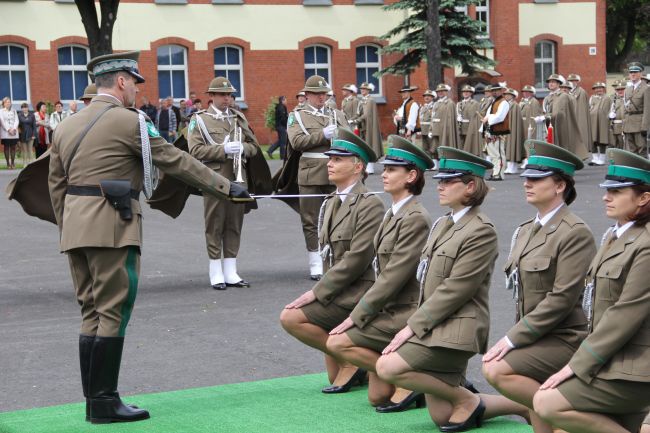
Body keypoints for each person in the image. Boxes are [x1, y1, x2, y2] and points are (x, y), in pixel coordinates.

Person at [48, 50, 249, 424]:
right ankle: (105, 402)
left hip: (76, 228)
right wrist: (227, 187)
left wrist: (70, 225)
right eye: (135, 84)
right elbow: (177, 159)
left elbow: (56, 186)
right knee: (112, 312)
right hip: (113, 225)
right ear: (121, 81)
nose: (137, 92)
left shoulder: (66, 125)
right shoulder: (131, 123)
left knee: (90, 311)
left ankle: (95, 401)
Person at [375, 147, 528, 432]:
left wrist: (411, 327)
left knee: (388, 366)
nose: (441, 186)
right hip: (436, 325)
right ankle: (520, 405)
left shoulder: (480, 229)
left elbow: (456, 288)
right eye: (440, 181)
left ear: (470, 186)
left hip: (457, 329)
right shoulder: (444, 223)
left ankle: (466, 400)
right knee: (443, 416)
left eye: (449, 181)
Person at [482, 139, 596, 433]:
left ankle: (564, 415)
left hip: (564, 337)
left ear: (560, 186)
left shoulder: (574, 232)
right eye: (526, 178)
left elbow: (562, 298)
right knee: (501, 371)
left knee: (496, 369)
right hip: (535, 336)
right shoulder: (525, 230)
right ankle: (549, 416)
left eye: (536, 179)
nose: (527, 184)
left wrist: (511, 339)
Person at [533, 148, 650, 433]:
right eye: (607, 189)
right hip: (612, 358)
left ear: (644, 198)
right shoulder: (616, 234)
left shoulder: (645, 245)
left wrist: (575, 365)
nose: (605, 197)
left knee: (548, 403)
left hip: (635, 367)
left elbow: (624, 315)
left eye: (618, 191)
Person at [326, 135, 433, 411]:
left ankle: (423, 380)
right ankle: (400, 370)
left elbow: (393, 276)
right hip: (387, 309)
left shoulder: (415, 218)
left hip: (403, 310)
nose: (384, 175)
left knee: (338, 341)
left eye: (392, 170)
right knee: (377, 396)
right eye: (384, 169)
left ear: (411, 176)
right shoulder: (392, 213)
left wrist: (358, 315)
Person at [280, 128, 384, 394]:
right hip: (337, 292)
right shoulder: (330, 202)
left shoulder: (369, 204)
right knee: (331, 373)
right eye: (330, 158)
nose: (329, 163)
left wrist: (317, 293)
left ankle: (356, 359)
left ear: (358, 166)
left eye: (338, 159)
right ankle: (352, 357)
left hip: (357, 293)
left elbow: (357, 259)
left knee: (292, 317)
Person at [187, 76, 259, 290]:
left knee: (234, 223)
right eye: (222, 95)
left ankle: (231, 269)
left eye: (229, 95)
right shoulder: (199, 120)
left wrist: (243, 149)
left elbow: (254, 146)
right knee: (215, 223)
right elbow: (195, 151)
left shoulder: (238, 118)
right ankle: (215, 269)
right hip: (214, 177)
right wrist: (223, 150)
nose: (227, 99)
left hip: (239, 176)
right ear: (211, 96)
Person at [287, 75, 350, 280]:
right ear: (307, 95)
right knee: (311, 219)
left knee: (338, 218)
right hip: (311, 172)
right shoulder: (296, 116)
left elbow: (349, 140)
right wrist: (322, 135)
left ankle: (334, 259)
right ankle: (315, 261)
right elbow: (296, 142)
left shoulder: (336, 114)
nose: (321, 97)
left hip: (337, 173)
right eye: (316, 94)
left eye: (324, 93)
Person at [539, 74, 589, 160]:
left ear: (559, 84)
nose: (551, 84)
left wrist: (545, 117)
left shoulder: (562, 96)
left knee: (562, 146)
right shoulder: (548, 97)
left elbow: (559, 113)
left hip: (561, 125)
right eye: (550, 82)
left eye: (554, 82)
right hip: (550, 124)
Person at [482, 83, 510, 181]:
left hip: (499, 131)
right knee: (493, 154)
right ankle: (495, 172)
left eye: (497, 90)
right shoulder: (493, 102)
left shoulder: (503, 102)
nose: (494, 92)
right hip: (491, 131)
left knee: (498, 153)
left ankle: (499, 174)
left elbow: (500, 117)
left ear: (501, 91)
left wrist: (488, 118)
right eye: (493, 90)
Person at [356, 82, 384, 175]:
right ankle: (366, 165)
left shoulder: (370, 100)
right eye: (361, 88)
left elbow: (367, 114)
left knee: (370, 143)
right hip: (363, 126)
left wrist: (357, 120)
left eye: (364, 89)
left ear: (368, 90)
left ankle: (370, 166)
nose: (362, 90)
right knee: (365, 145)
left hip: (369, 125)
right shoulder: (362, 100)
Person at [623, 62, 650, 156]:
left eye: (635, 72)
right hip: (628, 124)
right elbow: (625, 108)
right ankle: (634, 170)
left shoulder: (646, 88)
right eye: (631, 72)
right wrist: (624, 124)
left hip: (639, 124)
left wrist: (645, 127)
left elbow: (647, 110)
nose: (633, 74)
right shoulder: (627, 89)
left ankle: (642, 170)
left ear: (641, 74)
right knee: (631, 151)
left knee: (641, 149)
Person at [429, 84, 458, 157]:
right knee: (434, 148)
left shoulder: (449, 103)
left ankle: (444, 165)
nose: (440, 93)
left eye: (442, 91)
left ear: (446, 92)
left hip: (444, 130)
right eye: (438, 91)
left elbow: (450, 119)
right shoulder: (436, 103)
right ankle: (436, 166)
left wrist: (447, 130)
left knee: (444, 148)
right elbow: (432, 117)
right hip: (436, 129)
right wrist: (431, 129)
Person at [568, 74, 593, 154]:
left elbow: (581, 109)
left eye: (574, 81)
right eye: (570, 81)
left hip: (578, 117)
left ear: (577, 82)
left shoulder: (581, 92)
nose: (572, 82)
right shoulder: (567, 91)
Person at [464, 85, 492, 157]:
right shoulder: (484, 100)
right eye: (485, 91)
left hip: (489, 122)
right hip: (482, 122)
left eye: (488, 91)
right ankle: (486, 159)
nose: (486, 93)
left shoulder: (492, 100)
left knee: (489, 141)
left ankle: (490, 161)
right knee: (484, 142)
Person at [588, 82, 612, 166]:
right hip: (592, 121)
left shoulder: (608, 98)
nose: (599, 90)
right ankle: (595, 158)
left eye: (600, 88)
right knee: (592, 140)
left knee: (602, 140)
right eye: (596, 88)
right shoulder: (592, 98)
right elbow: (589, 108)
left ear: (603, 88)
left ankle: (602, 159)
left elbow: (611, 109)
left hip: (603, 122)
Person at [504, 88, 525, 174]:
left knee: (513, 148)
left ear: (513, 96)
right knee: (508, 148)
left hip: (512, 129)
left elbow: (515, 120)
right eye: (506, 94)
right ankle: (509, 167)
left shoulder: (515, 105)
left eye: (508, 95)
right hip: (506, 129)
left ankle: (513, 167)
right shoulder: (506, 105)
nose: (506, 96)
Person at [457, 85, 479, 151]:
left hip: (470, 128)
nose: (465, 93)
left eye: (467, 92)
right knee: (461, 147)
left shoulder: (475, 103)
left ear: (471, 93)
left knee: (469, 147)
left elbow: (475, 117)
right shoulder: (459, 104)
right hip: (461, 128)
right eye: (464, 92)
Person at [1, 97, 20, 169]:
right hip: (6, 132)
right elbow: (2, 121)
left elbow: (17, 120)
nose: (8, 103)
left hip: (14, 133)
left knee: (13, 147)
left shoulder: (14, 110)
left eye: (9, 102)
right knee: (6, 148)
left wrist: (14, 129)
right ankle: (8, 163)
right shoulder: (1, 111)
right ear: (4, 103)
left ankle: (12, 163)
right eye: (6, 102)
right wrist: (9, 129)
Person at [268, 95, 288, 160]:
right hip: (281, 127)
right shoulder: (281, 107)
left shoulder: (280, 107)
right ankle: (282, 157)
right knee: (283, 142)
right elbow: (283, 118)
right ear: (282, 100)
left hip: (279, 126)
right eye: (285, 100)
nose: (286, 101)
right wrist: (286, 127)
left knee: (280, 141)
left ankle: (270, 150)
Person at [419, 89, 436, 161]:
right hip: (423, 129)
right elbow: (420, 119)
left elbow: (434, 119)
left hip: (430, 129)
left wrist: (432, 130)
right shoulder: (423, 107)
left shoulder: (434, 106)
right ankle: (428, 162)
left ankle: (434, 162)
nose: (426, 97)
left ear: (432, 97)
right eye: (425, 96)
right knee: (424, 147)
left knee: (432, 146)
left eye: (429, 96)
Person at [17, 102, 36, 166]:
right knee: (24, 150)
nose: (24, 109)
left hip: (30, 134)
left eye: (26, 107)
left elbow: (34, 126)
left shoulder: (32, 115)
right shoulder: (19, 115)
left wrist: (34, 134)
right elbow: (18, 125)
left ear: (28, 108)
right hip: (22, 134)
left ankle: (31, 163)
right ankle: (25, 163)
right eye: (23, 108)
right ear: (21, 109)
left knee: (30, 149)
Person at [609, 81, 626, 150]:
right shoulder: (614, 100)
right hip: (615, 126)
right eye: (618, 90)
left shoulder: (628, 99)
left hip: (625, 125)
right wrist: (610, 114)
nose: (620, 91)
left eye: (622, 89)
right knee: (616, 145)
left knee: (625, 145)